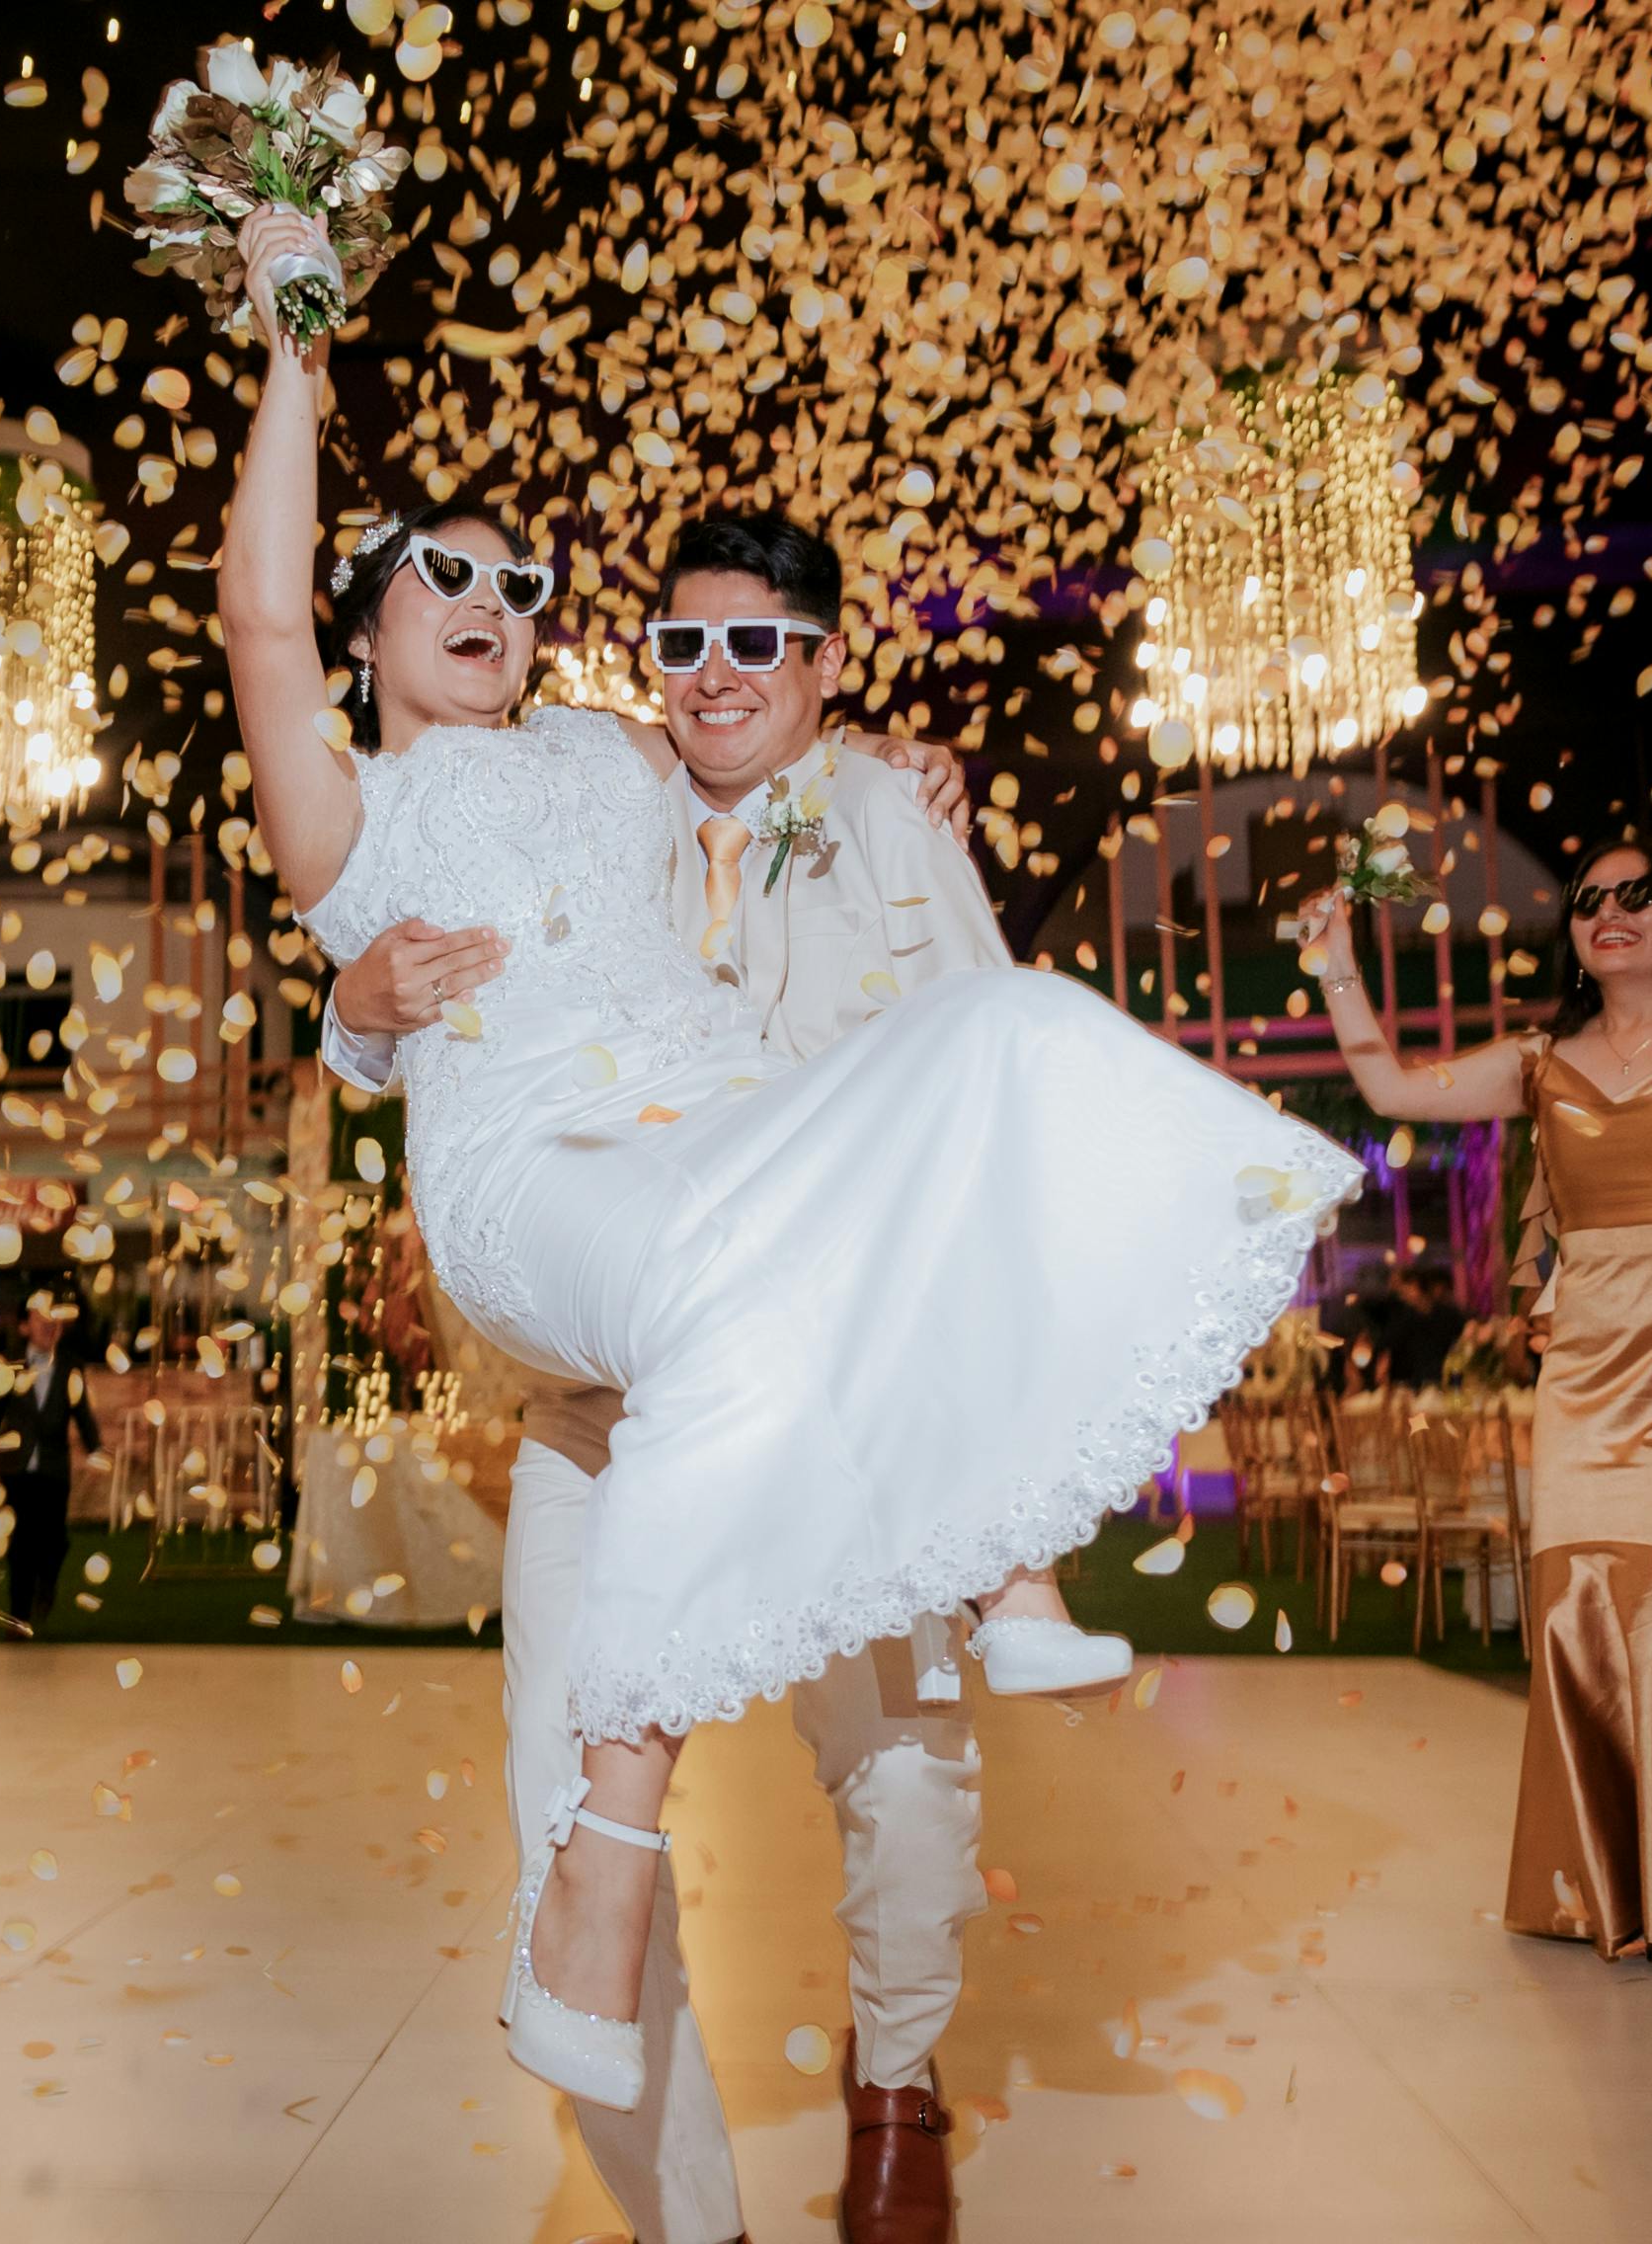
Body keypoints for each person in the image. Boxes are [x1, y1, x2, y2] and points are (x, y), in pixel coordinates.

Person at [216, 206, 1354, 2115]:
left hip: (727, 1134)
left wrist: (896, 754)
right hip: (540, 1171)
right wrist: (291, 349)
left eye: (519, 578)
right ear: (368, 619)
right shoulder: (355, 806)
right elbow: (254, 619)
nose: (492, 602)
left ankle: (994, 1565)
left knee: (1012, 1033)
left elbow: (762, 740)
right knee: (725, 1283)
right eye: (443, 579)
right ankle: (605, 1861)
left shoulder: (607, 750)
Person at [326, 507, 1022, 2243]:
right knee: (562, 1793)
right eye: (682, 645)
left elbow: (981, 1066)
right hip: (603, 1402)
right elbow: (425, 937)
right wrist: (350, 1007)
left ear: (822, 667)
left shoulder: (881, 817)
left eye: (758, 646)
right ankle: (679, 2209)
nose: (715, 678)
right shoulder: (597, 789)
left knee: (908, 1770)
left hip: (819, 1377)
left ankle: (890, 2082)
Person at [1297, 842, 1652, 1980]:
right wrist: (1337, 963)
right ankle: (1618, 1885)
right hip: (1595, 1352)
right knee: (1587, 1594)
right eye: (1589, 900)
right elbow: (1395, 1088)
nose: (1609, 913)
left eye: (1635, 894)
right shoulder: (1542, 1059)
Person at [0, 1303, 100, 1629]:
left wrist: (95, 1448)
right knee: (20, 1544)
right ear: (25, 1325)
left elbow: (82, 1413)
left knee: (54, 1538)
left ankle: (47, 1581)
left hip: (54, 1468)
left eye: (53, 1320)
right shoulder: (11, 1366)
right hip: (17, 1469)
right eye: (41, 1319)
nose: (48, 1325)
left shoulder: (71, 1367)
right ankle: (19, 1614)